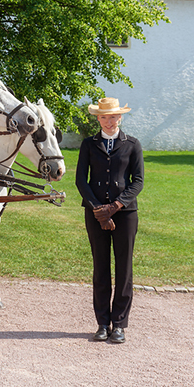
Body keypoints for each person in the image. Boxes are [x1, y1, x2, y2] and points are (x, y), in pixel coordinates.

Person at [76, 97, 144, 344]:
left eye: (113, 116)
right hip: (95, 215)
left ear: (120, 118)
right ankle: (103, 323)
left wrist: (115, 206)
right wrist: (97, 209)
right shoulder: (88, 145)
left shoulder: (132, 144)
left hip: (125, 215)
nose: (108, 121)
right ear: (98, 118)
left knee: (124, 269)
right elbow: (81, 181)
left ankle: (120, 325)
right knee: (100, 267)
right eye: (103, 117)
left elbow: (138, 181)